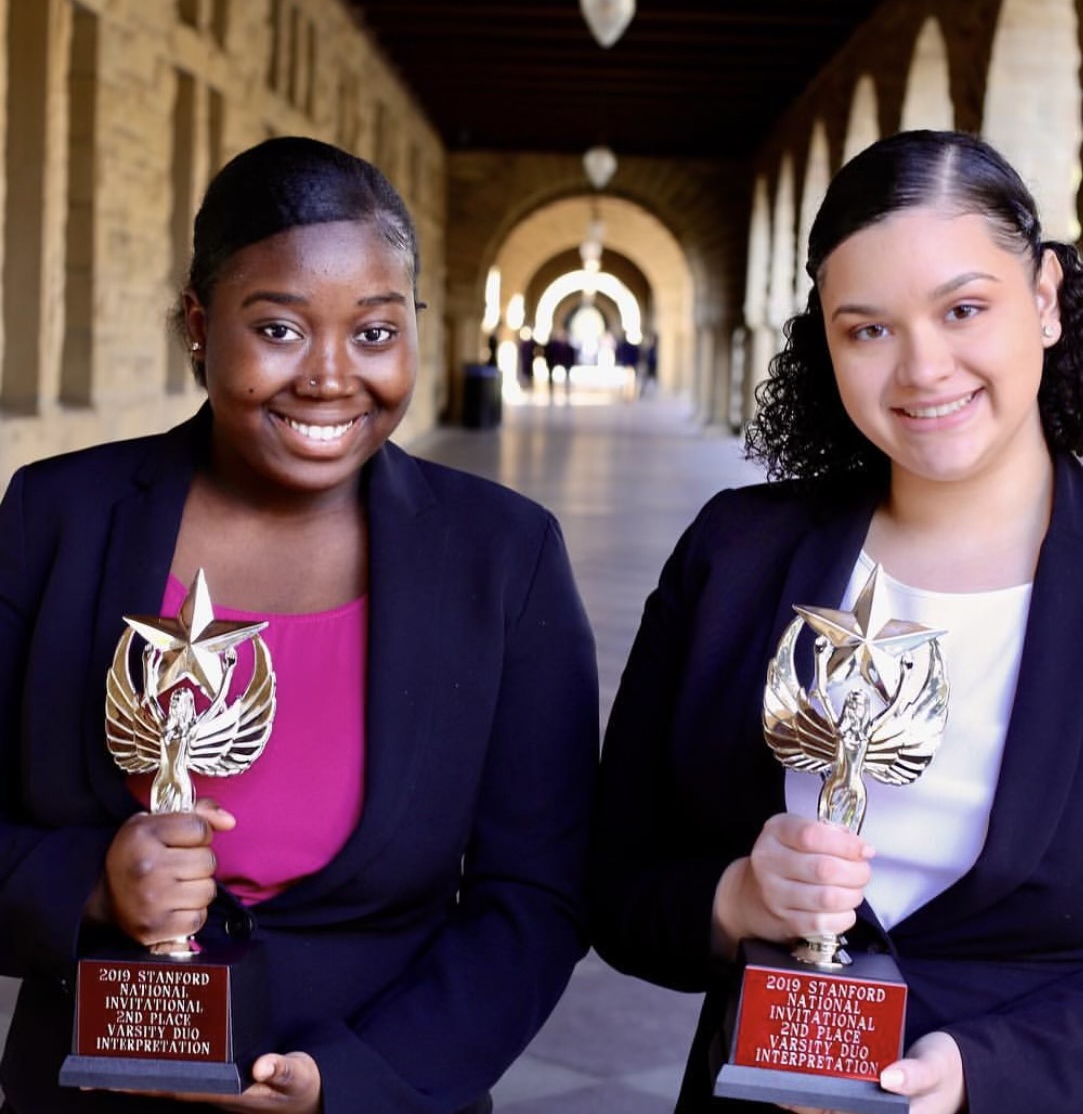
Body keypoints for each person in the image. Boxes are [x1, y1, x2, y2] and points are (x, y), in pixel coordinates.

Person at [0, 136, 599, 1113]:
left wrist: (355, 1079)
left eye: (374, 331)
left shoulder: (503, 555)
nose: (329, 375)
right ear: (200, 326)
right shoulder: (57, 518)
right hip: (93, 1086)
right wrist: (90, 885)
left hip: (378, 1082)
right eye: (278, 328)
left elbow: (537, 893)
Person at [588, 129, 1083, 1114]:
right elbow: (615, 885)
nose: (922, 368)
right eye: (868, 330)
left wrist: (988, 1071)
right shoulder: (733, 556)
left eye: (963, 309)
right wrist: (735, 899)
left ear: (1044, 296)